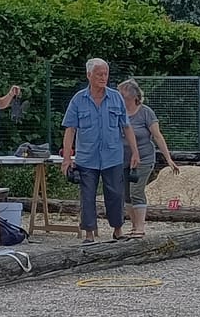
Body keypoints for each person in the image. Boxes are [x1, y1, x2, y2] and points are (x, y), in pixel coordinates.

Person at [61, 57, 138, 241]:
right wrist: (67, 158)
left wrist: (135, 152)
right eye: (99, 74)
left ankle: (118, 230)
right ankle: (89, 234)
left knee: (115, 194)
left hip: (113, 156)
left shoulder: (116, 97)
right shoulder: (78, 100)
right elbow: (70, 129)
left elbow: (126, 126)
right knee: (87, 197)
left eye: (105, 74)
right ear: (89, 75)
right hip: (87, 157)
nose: (103, 78)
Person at [118, 79, 178, 240]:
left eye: (121, 94)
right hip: (122, 158)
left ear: (132, 96)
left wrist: (168, 158)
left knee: (136, 190)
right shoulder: (118, 112)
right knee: (126, 194)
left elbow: (157, 136)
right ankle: (133, 225)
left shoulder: (145, 112)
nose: (118, 96)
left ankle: (140, 227)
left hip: (143, 158)